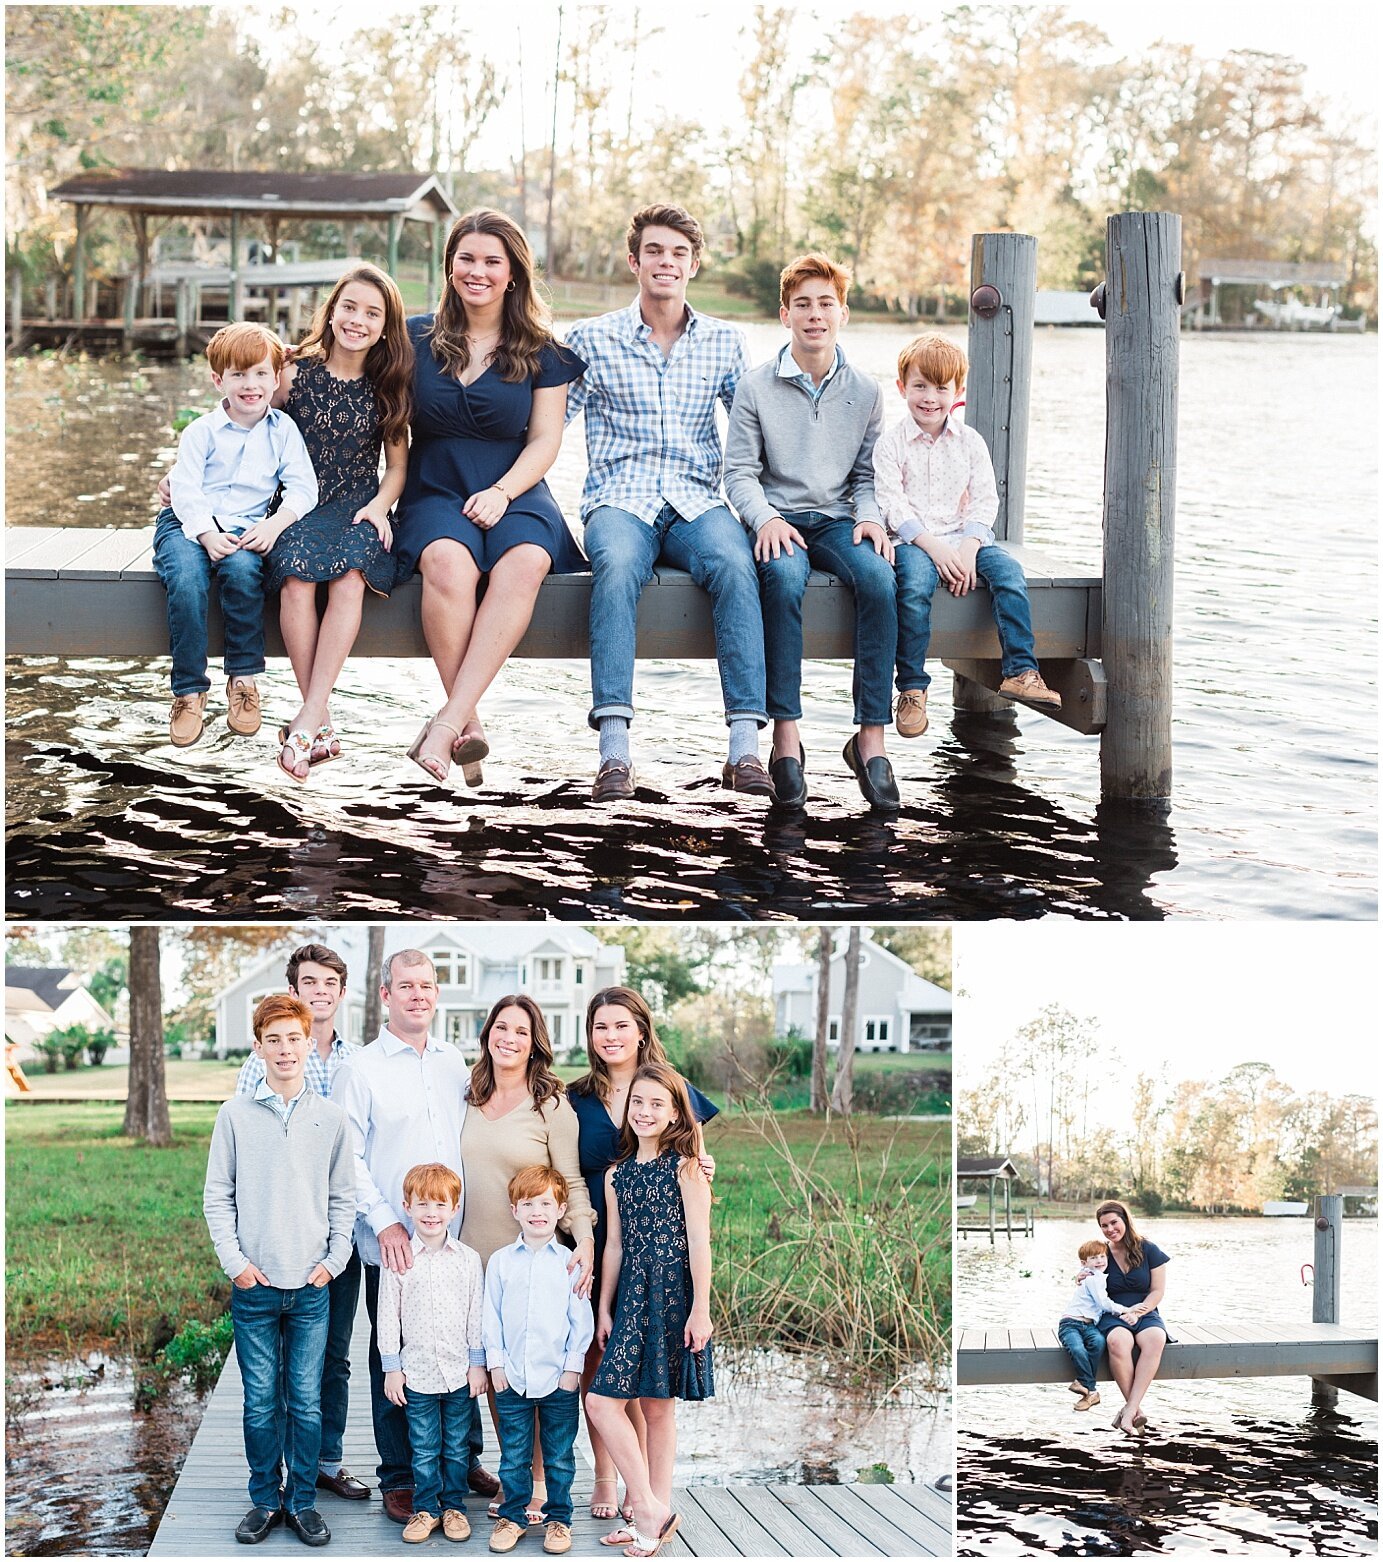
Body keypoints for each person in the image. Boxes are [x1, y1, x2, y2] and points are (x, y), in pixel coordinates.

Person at [564, 203, 771, 803]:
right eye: (655, 251)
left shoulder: (725, 342)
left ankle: (744, 750)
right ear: (634, 261)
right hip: (618, 498)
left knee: (736, 565)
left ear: (694, 266)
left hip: (696, 500)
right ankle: (614, 754)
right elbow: (547, 428)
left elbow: (754, 438)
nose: (666, 262)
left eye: (679, 253)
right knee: (618, 565)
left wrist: (776, 511)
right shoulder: (590, 339)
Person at [395, 210, 586, 788]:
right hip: (435, 483)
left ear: (513, 274)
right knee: (446, 564)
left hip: (516, 484)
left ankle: (447, 720)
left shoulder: (542, 351)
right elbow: (326, 369)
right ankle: (467, 722)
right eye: (467, 259)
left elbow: (547, 439)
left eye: (491, 262)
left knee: (527, 560)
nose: (477, 271)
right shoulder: (411, 338)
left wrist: (504, 492)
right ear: (450, 266)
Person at [724, 252, 897, 812]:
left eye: (826, 304)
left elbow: (869, 475)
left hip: (840, 518)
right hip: (780, 519)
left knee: (878, 580)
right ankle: (786, 735)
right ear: (785, 315)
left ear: (842, 314)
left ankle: (871, 736)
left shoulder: (867, 392)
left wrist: (870, 515)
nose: (815, 314)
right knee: (782, 581)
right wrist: (765, 518)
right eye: (803, 305)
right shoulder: (756, 387)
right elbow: (739, 473)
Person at [332, 950, 497, 1524]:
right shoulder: (363, 1068)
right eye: (407, 986)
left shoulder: (456, 1063)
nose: (419, 995)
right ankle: (401, 1475)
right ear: (385, 995)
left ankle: (463, 1461)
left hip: (454, 1242)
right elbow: (346, 1156)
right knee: (395, 1353)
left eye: (427, 985)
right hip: (395, 1241)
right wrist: (382, 1220)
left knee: (457, 1342)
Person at [203, 994, 354, 1548]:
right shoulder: (235, 1115)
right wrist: (237, 1265)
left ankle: (304, 1503)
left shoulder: (330, 1118)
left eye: (295, 1039)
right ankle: (266, 1499)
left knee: (308, 1402)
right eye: (274, 1040)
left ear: (308, 1041)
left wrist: (333, 1261)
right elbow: (217, 1196)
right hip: (255, 1288)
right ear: (259, 1046)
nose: (285, 1049)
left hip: (311, 1286)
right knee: (261, 1401)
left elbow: (344, 1197)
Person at [567, 988, 716, 1539]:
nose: (610, 1035)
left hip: (671, 1278)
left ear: (640, 1028)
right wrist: (602, 1302)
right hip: (614, 1265)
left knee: (656, 1401)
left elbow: (699, 1229)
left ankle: (651, 1505)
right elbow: (612, 1241)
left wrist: (701, 1308)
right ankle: (633, 1495)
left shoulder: (668, 1092)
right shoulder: (578, 1100)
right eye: (599, 1026)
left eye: (620, 1025)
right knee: (603, 1386)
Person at [265, 264, 414, 781]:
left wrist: (378, 506)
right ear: (331, 310)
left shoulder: (388, 384)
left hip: (356, 504)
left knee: (350, 577)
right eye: (349, 306)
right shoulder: (293, 371)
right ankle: (319, 722)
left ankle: (308, 718)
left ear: (385, 325)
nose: (357, 320)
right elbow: (242, 416)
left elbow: (396, 468)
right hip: (299, 504)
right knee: (299, 577)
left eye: (372, 313)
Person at [873, 333, 1062, 733]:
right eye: (919, 385)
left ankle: (1020, 671)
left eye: (941, 388)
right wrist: (935, 548)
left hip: (965, 539)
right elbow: (892, 503)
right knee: (913, 588)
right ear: (901, 387)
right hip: (913, 541)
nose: (929, 397)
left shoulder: (971, 442)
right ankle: (911, 688)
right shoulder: (890, 444)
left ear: (957, 391)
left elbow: (984, 500)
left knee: (1009, 574)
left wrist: (971, 547)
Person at [233, 943, 367, 1503]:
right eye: (307, 981)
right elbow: (248, 1160)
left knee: (332, 1358)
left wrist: (340, 1246)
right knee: (275, 1376)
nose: (319, 990)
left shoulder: (358, 1059)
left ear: (341, 991)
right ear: (294, 990)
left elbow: (356, 1156)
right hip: (276, 1246)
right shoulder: (267, 1058)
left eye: (329, 982)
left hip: (346, 1234)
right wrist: (241, 1255)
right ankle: (280, 1478)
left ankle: (323, 1464)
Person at [459, 995, 595, 1528]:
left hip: (536, 1258)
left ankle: (540, 1484)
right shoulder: (468, 1095)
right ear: (487, 1032)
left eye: (520, 1030)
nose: (508, 1038)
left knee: (540, 1368)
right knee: (501, 1378)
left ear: (535, 1039)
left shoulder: (551, 1104)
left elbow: (572, 1180)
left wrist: (582, 1240)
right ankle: (515, 1476)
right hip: (479, 1258)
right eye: (500, 1027)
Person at [155, 321, 318, 749]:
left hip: (247, 528)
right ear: (218, 380)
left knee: (245, 573)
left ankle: (243, 681)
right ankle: (189, 691)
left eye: (261, 373)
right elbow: (185, 491)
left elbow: (304, 487)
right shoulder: (201, 432)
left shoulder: (282, 430)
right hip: (187, 524)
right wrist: (206, 535)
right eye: (239, 375)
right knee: (187, 580)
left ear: (276, 377)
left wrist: (274, 524)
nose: (251, 385)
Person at [483, 1166, 595, 1557]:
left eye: (546, 1203)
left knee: (560, 1457)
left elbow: (580, 1319)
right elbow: (490, 1316)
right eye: (528, 1203)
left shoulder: (570, 1262)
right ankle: (512, 1517)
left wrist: (572, 1369)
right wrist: (495, 1364)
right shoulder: (500, 1262)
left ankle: (559, 1520)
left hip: (558, 1379)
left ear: (561, 1209)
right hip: (512, 1376)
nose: (537, 1211)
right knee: (514, 1457)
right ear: (515, 1210)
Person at [378, 1163, 488, 1546]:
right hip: (418, 1373)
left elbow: (476, 1314)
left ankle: (454, 1506)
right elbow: (387, 1318)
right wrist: (392, 1369)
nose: (431, 1213)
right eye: (422, 1204)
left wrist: (478, 1365)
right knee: (423, 1447)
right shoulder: (399, 1259)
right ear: (407, 1206)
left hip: (459, 1372)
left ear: (454, 1209)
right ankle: (426, 1508)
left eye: (440, 1205)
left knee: (457, 1446)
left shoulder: (468, 1259)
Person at [1089, 1200, 1172, 1435]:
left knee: (1156, 1338)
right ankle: (1135, 1410)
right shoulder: (1100, 1253)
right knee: (1118, 1341)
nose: (1109, 1229)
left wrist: (1138, 1312)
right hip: (1113, 1313)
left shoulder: (1149, 1250)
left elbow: (1157, 1291)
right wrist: (1082, 1276)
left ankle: (1129, 1409)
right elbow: (1088, 1277)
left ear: (1125, 1219)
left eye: (1114, 1222)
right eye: (1103, 1225)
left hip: (1144, 1310)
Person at [1057, 1238, 1134, 1411]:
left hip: (1089, 1325)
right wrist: (1126, 1309)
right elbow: (1103, 1304)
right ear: (1085, 1262)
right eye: (1094, 1258)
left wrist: (1081, 1271)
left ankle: (1086, 1387)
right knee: (1077, 1348)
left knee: (1098, 1343)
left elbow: (1085, 1270)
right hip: (1071, 1323)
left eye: (1102, 1256)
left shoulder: (1094, 1275)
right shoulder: (1093, 1278)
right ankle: (1089, 1387)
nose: (1099, 1260)